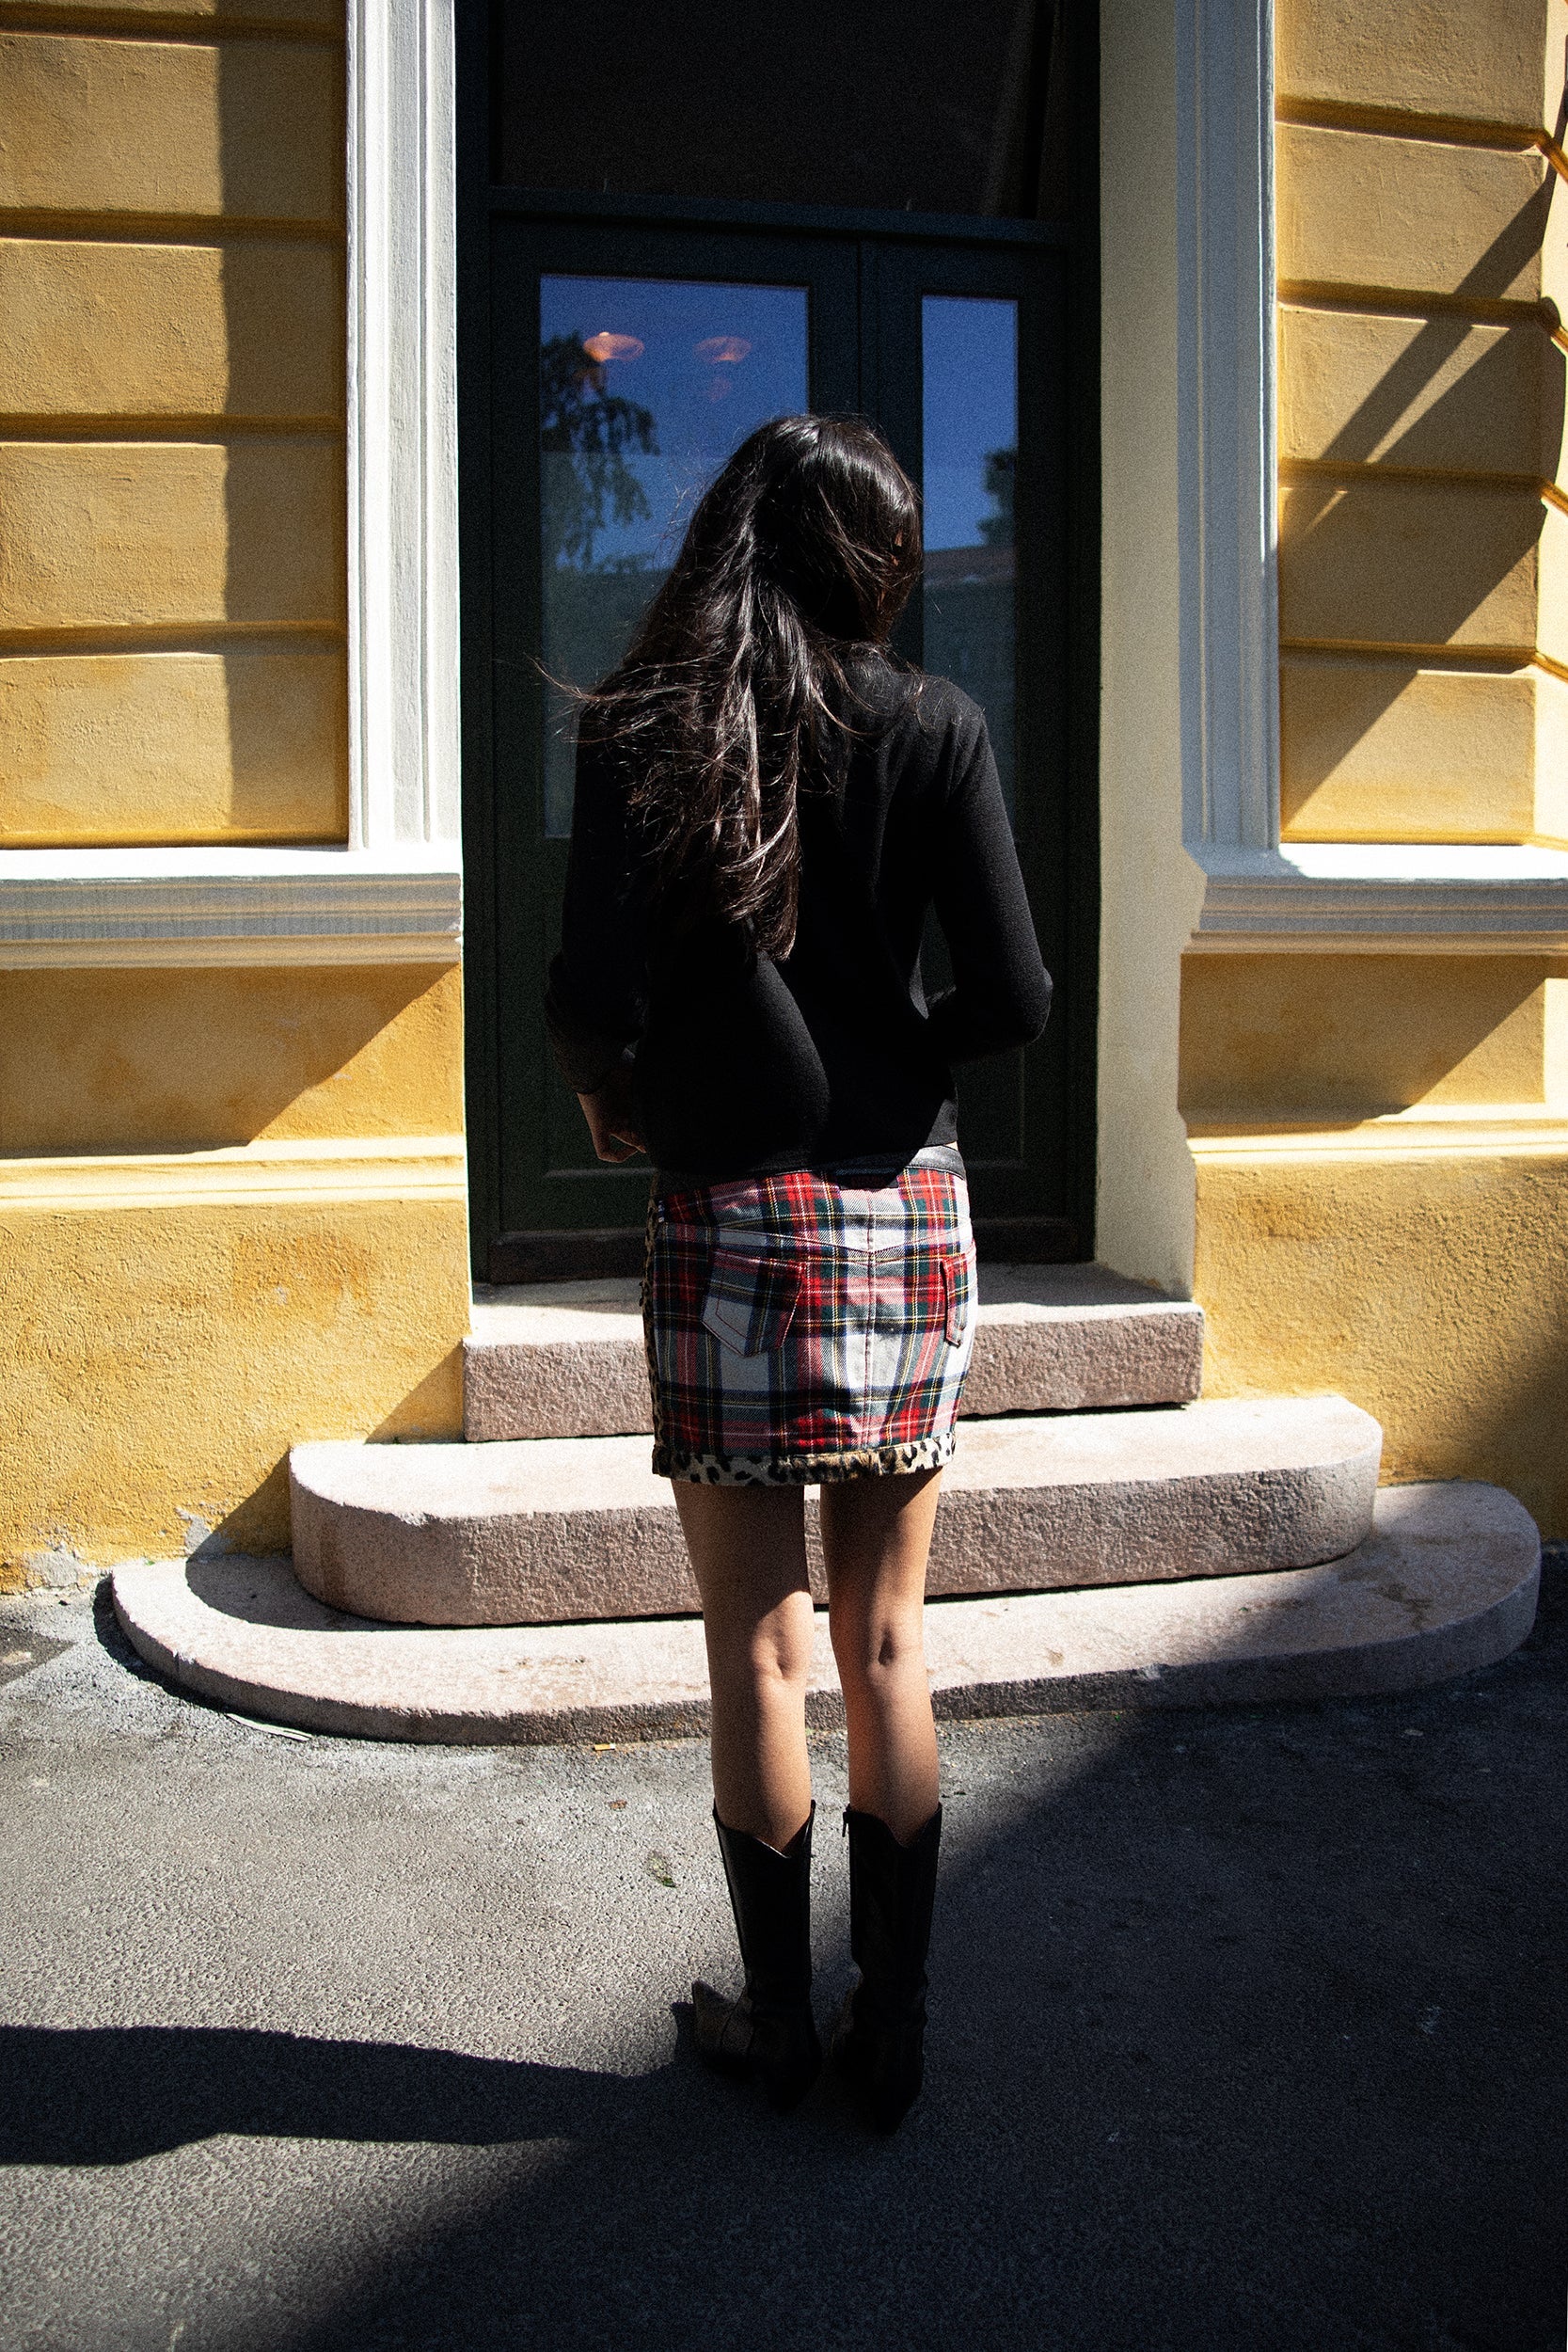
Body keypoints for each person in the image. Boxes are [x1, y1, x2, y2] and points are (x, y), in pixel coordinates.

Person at [545, 413, 1052, 2130]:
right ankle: (890, 2042)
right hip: (906, 1203)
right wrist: (901, 1051)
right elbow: (1016, 997)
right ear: (875, 564)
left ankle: (774, 2025)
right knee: (888, 1640)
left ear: (735, 537)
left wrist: (621, 1104)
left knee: (755, 1645)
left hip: (730, 1206)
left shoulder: (650, 725)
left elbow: (590, 996)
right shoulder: (941, 725)